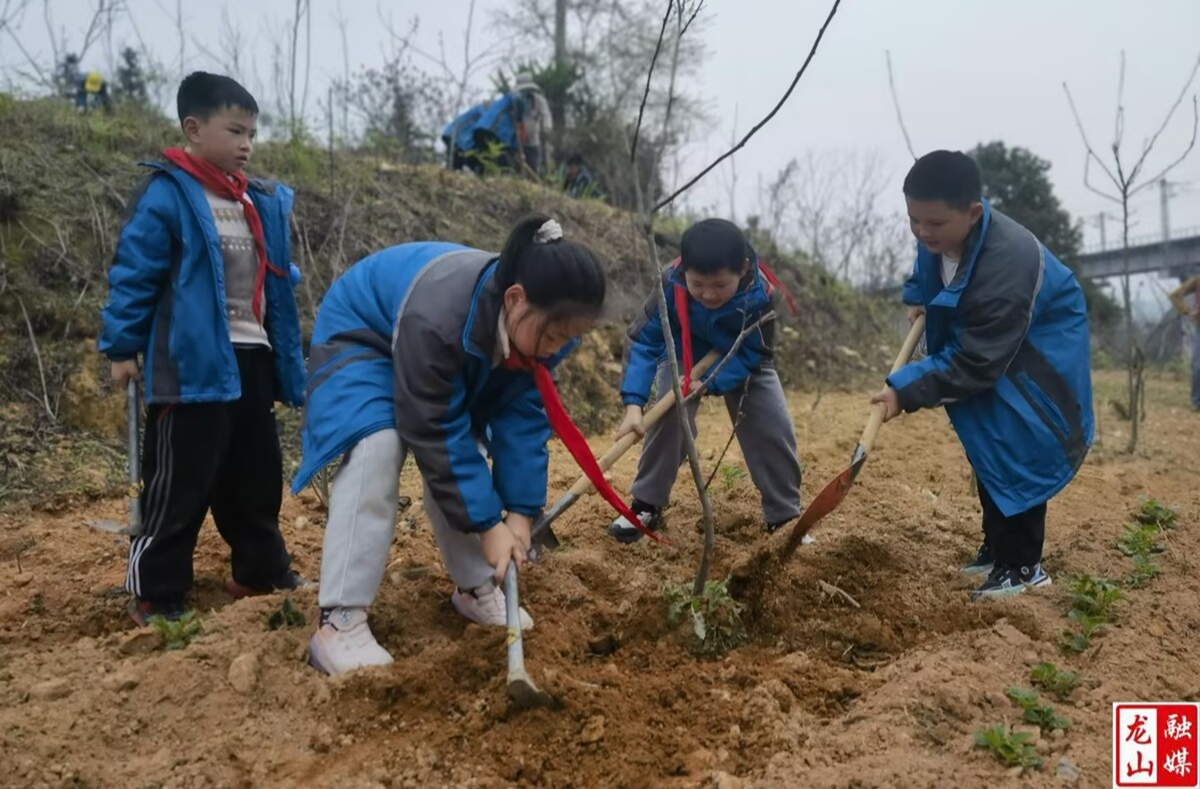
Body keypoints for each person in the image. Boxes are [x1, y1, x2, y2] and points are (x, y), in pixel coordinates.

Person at [293, 215, 645, 676]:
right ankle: (339, 621)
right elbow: (437, 429)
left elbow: (522, 420)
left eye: (568, 338)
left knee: (470, 460)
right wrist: (487, 526)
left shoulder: (534, 334)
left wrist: (519, 513)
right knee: (378, 446)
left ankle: (477, 586)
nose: (557, 347)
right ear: (515, 299)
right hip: (365, 336)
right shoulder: (439, 321)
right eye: (553, 335)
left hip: (427, 346)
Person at [98, 72, 308, 626]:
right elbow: (135, 274)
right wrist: (122, 347)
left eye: (252, 134)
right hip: (190, 362)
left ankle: (260, 570)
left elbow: (271, 278)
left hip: (252, 354)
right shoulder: (169, 194)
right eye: (235, 131)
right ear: (193, 129)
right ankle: (156, 589)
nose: (246, 144)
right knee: (180, 480)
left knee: (256, 472)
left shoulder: (255, 199)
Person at [872, 150, 1094, 601]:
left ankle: (1024, 567)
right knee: (987, 442)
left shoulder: (1008, 261)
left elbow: (975, 361)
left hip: (1038, 347)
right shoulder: (938, 235)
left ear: (972, 213)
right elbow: (925, 264)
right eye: (914, 220)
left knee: (1018, 441)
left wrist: (904, 391)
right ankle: (998, 550)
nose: (922, 232)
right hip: (991, 341)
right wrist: (917, 296)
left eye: (934, 223)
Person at [607, 219, 805, 543]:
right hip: (684, 349)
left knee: (771, 426)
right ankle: (646, 506)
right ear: (684, 269)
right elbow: (643, 342)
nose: (708, 294)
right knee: (670, 415)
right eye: (697, 284)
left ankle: (784, 516)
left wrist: (712, 381)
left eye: (719, 285)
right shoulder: (669, 284)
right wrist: (633, 404)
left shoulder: (760, 294)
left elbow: (755, 352)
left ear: (742, 269)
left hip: (743, 356)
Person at [1167, 273, 1200, 410]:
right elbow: (1174, 295)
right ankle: (1197, 402)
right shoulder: (1197, 281)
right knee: (1198, 366)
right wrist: (1187, 310)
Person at [513, 76, 553, 175]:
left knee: (534, 166)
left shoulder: (539, 100)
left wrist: (546, 127)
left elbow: (546, 115)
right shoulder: (515, 101)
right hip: (518, 140)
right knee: (518, 167)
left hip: (533, 141)